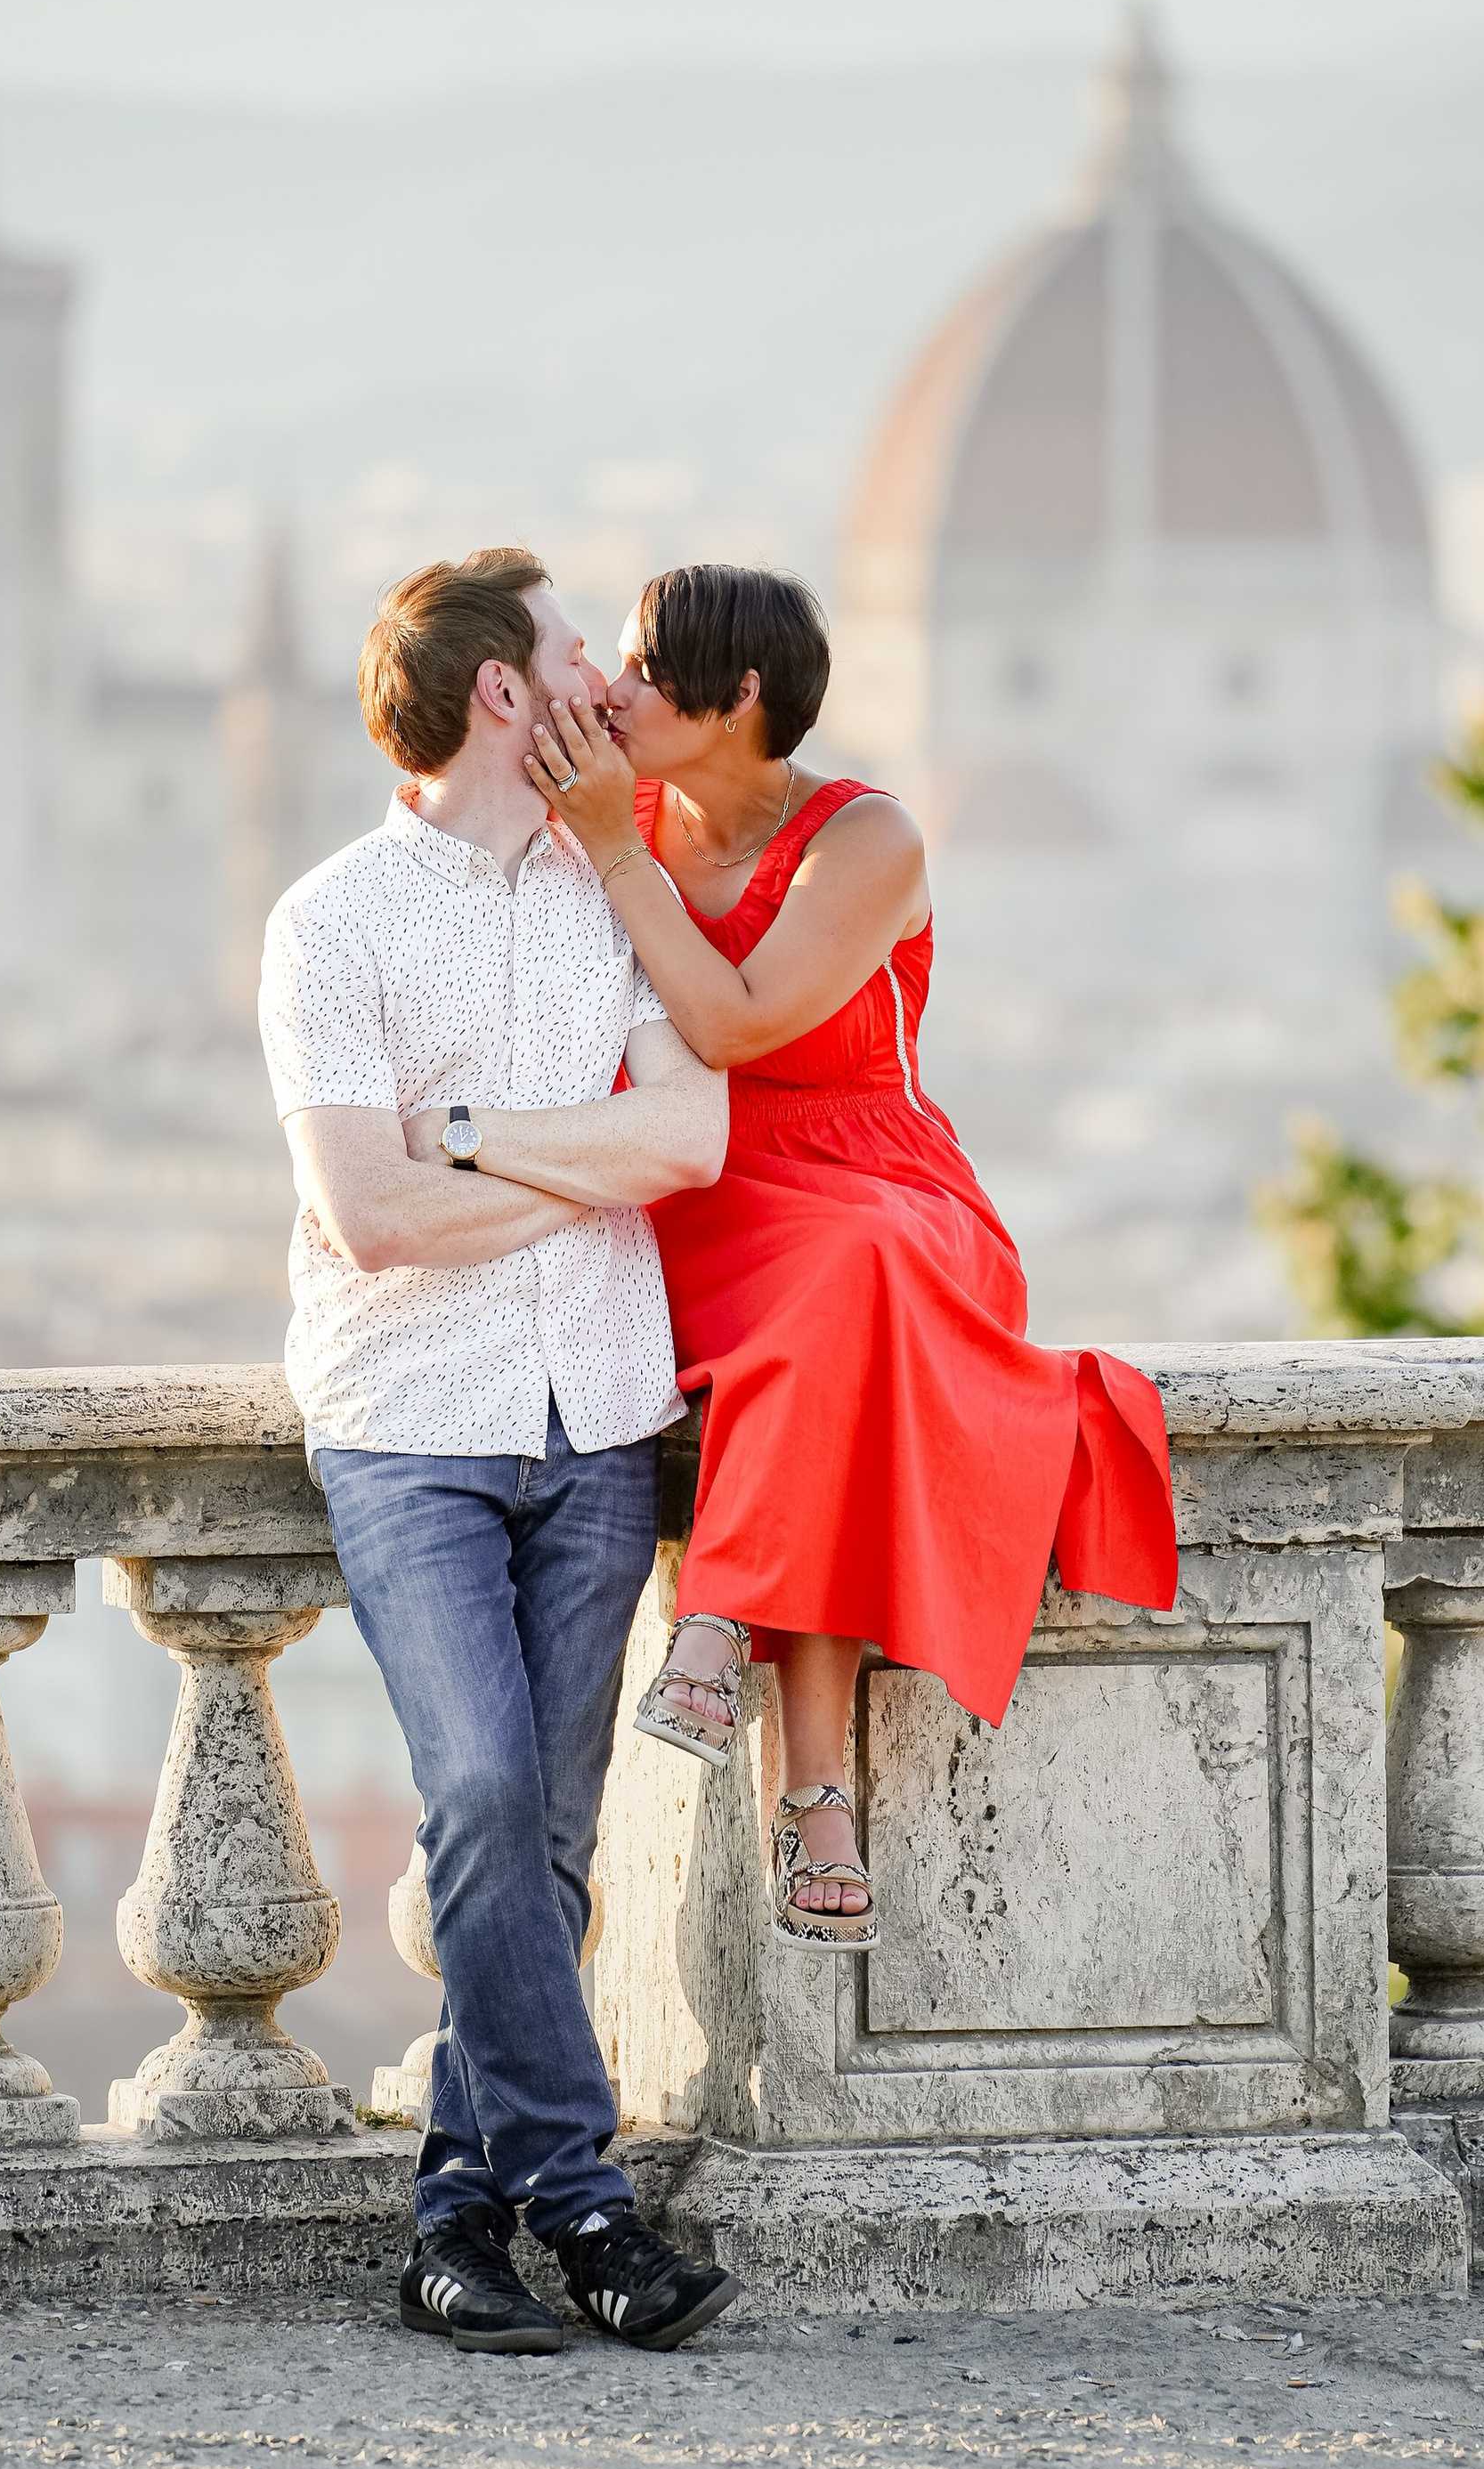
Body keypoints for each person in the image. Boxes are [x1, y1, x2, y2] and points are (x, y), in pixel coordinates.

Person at [520, 561, 1178, 1949]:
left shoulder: (864, 840)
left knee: (850, 1283)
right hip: (698, 1183)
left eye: (646, 669)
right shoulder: (608, 809)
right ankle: (810, 1785)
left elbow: (744, 1023)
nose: (622, 691)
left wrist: (618, 858)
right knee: (829, 1347)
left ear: (739, 695)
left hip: (875, 1183)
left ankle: (730, 1644)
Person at [258, 546, 742, 2358]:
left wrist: (459, 1139)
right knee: (473, 1800)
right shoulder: (332, 924)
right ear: (500, 699)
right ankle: (590, 2203)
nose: (605, 690)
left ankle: (457, 2221)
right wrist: (562, 1170)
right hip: (410, 1429)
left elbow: (686, 1143)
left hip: (599, 1418)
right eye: (571, 659)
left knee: (541, 1841)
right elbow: (363, 1218)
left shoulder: (611, 893)